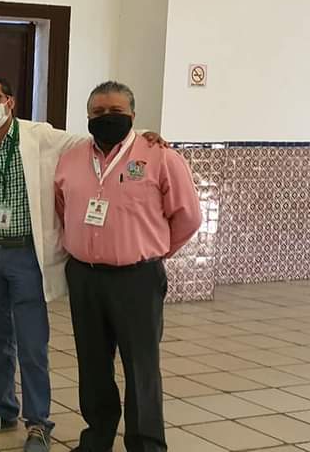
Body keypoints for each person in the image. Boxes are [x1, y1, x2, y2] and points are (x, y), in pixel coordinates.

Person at [0, 77, 167, 451]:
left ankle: (38, 422)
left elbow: (98, 140)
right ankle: (3, 409)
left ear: (9, 101)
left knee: (31, 343)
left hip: (26, 255)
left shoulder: (40, 136)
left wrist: (146, 136)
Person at [55, 81, 201, 452]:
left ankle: (146, 443)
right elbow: (62, 207)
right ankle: (97, 437)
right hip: (85, 276)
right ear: (87, 116)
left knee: (141, 365)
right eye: (98, 112)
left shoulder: (159, 155)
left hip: (137, 278)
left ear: (133, 115)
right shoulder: (71, 158)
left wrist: (155, 251)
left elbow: (188, 216)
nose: (107, 118)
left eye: (116, 112)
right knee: (92, 364)